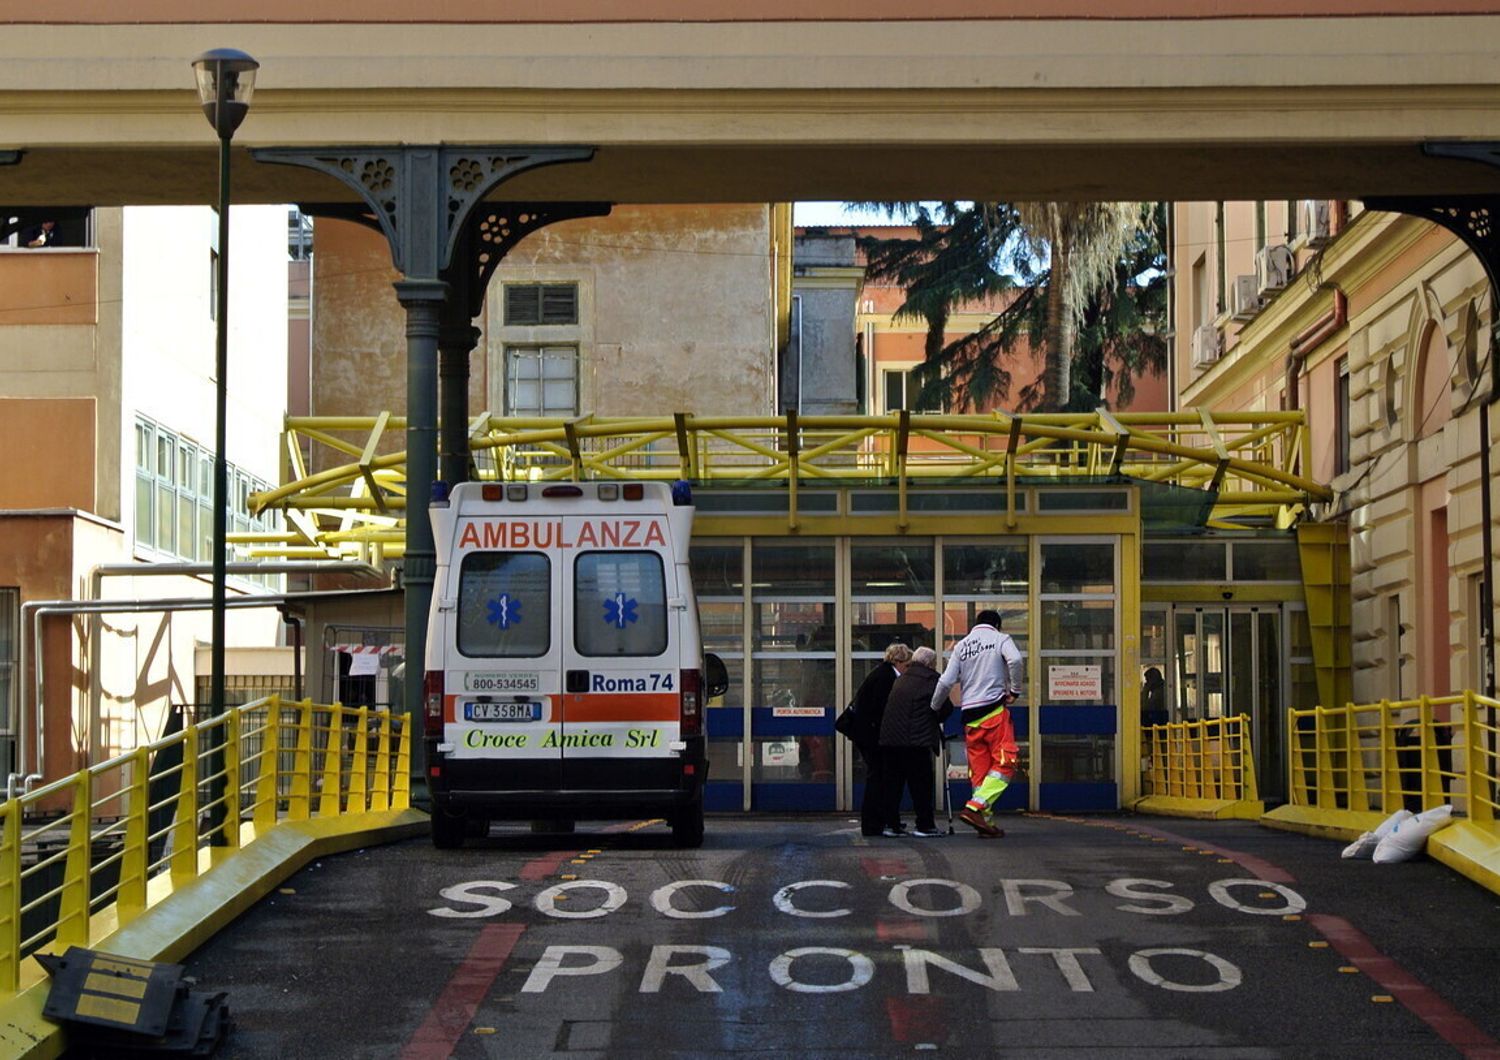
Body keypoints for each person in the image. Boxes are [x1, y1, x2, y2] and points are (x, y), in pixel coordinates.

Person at [931, 609, 1022, 838]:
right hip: (993, 712)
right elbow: (1016, 660)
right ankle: (975, 808)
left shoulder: (961, 646)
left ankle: (985, 824)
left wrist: (933, 708)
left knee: (980, 774)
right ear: (997, 625)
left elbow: (946, 682)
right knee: (1005, 763)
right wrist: (1015, 691)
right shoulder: (1000, 639)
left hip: (970, 717)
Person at [878, 646, 945, 838]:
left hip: (891, 740)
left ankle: (892, 824)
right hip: (915, 741)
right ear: (930, 664)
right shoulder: (931, 680)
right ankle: (925, 825)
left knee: (893, 785)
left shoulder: (901, 679)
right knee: (921, 785)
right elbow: (943, 706)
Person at [848, 642, 911, 836]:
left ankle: (881, 821)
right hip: (874, 737)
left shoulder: (881, 674)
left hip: (870, 734)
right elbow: (881, 710)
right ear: (898, 661)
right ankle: (875, 823)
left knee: (880, 779)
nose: (907, 669)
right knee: (878, 779)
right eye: (907, 664)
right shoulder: (886, 678)